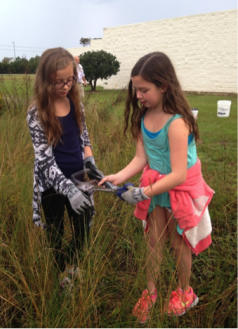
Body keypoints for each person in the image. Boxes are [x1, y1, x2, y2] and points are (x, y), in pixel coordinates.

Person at [99, 52, 214, 323]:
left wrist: (141, 193)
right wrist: (117, 176)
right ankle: (150, 293)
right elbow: (141, 158)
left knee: (178, 242)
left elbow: (177, 174)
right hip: (155, 188)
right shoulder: (144, 117)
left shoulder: (177, 123)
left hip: (179, 188)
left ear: (163, 86)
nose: (138, 95)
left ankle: (186, 292)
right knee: (152, 241)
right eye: (136, 89)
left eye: (144, 90)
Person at [27, 47, 99, 289]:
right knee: (55, 235)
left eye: (70, 80)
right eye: (59, 82)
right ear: (45, 80)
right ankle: (61, 276)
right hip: (52, 187)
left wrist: (89, 160)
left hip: (80, 178)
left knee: (82, 231)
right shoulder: (36, 113)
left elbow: (84, 138)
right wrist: (69, 191)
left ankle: (73, 266)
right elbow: (45, 161)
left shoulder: (75, 103)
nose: (66, 86)